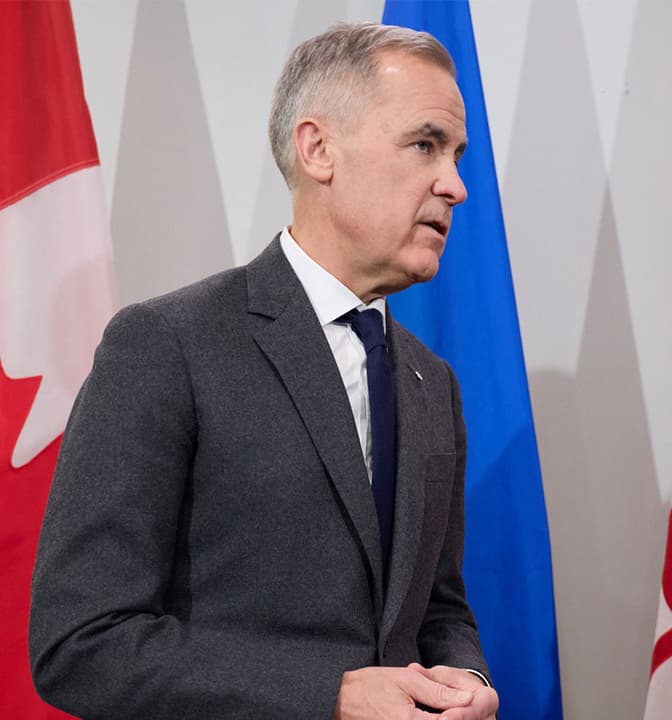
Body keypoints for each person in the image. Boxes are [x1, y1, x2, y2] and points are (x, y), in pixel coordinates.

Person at [29, 22, 499, 720]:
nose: (455, 185)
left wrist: (462, 677)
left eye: (457, 154)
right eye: (425, 145)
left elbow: (440, 608)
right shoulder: (167, 346)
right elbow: (80, 643)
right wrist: (329, 694)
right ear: (318, 149)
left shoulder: (433, 383)